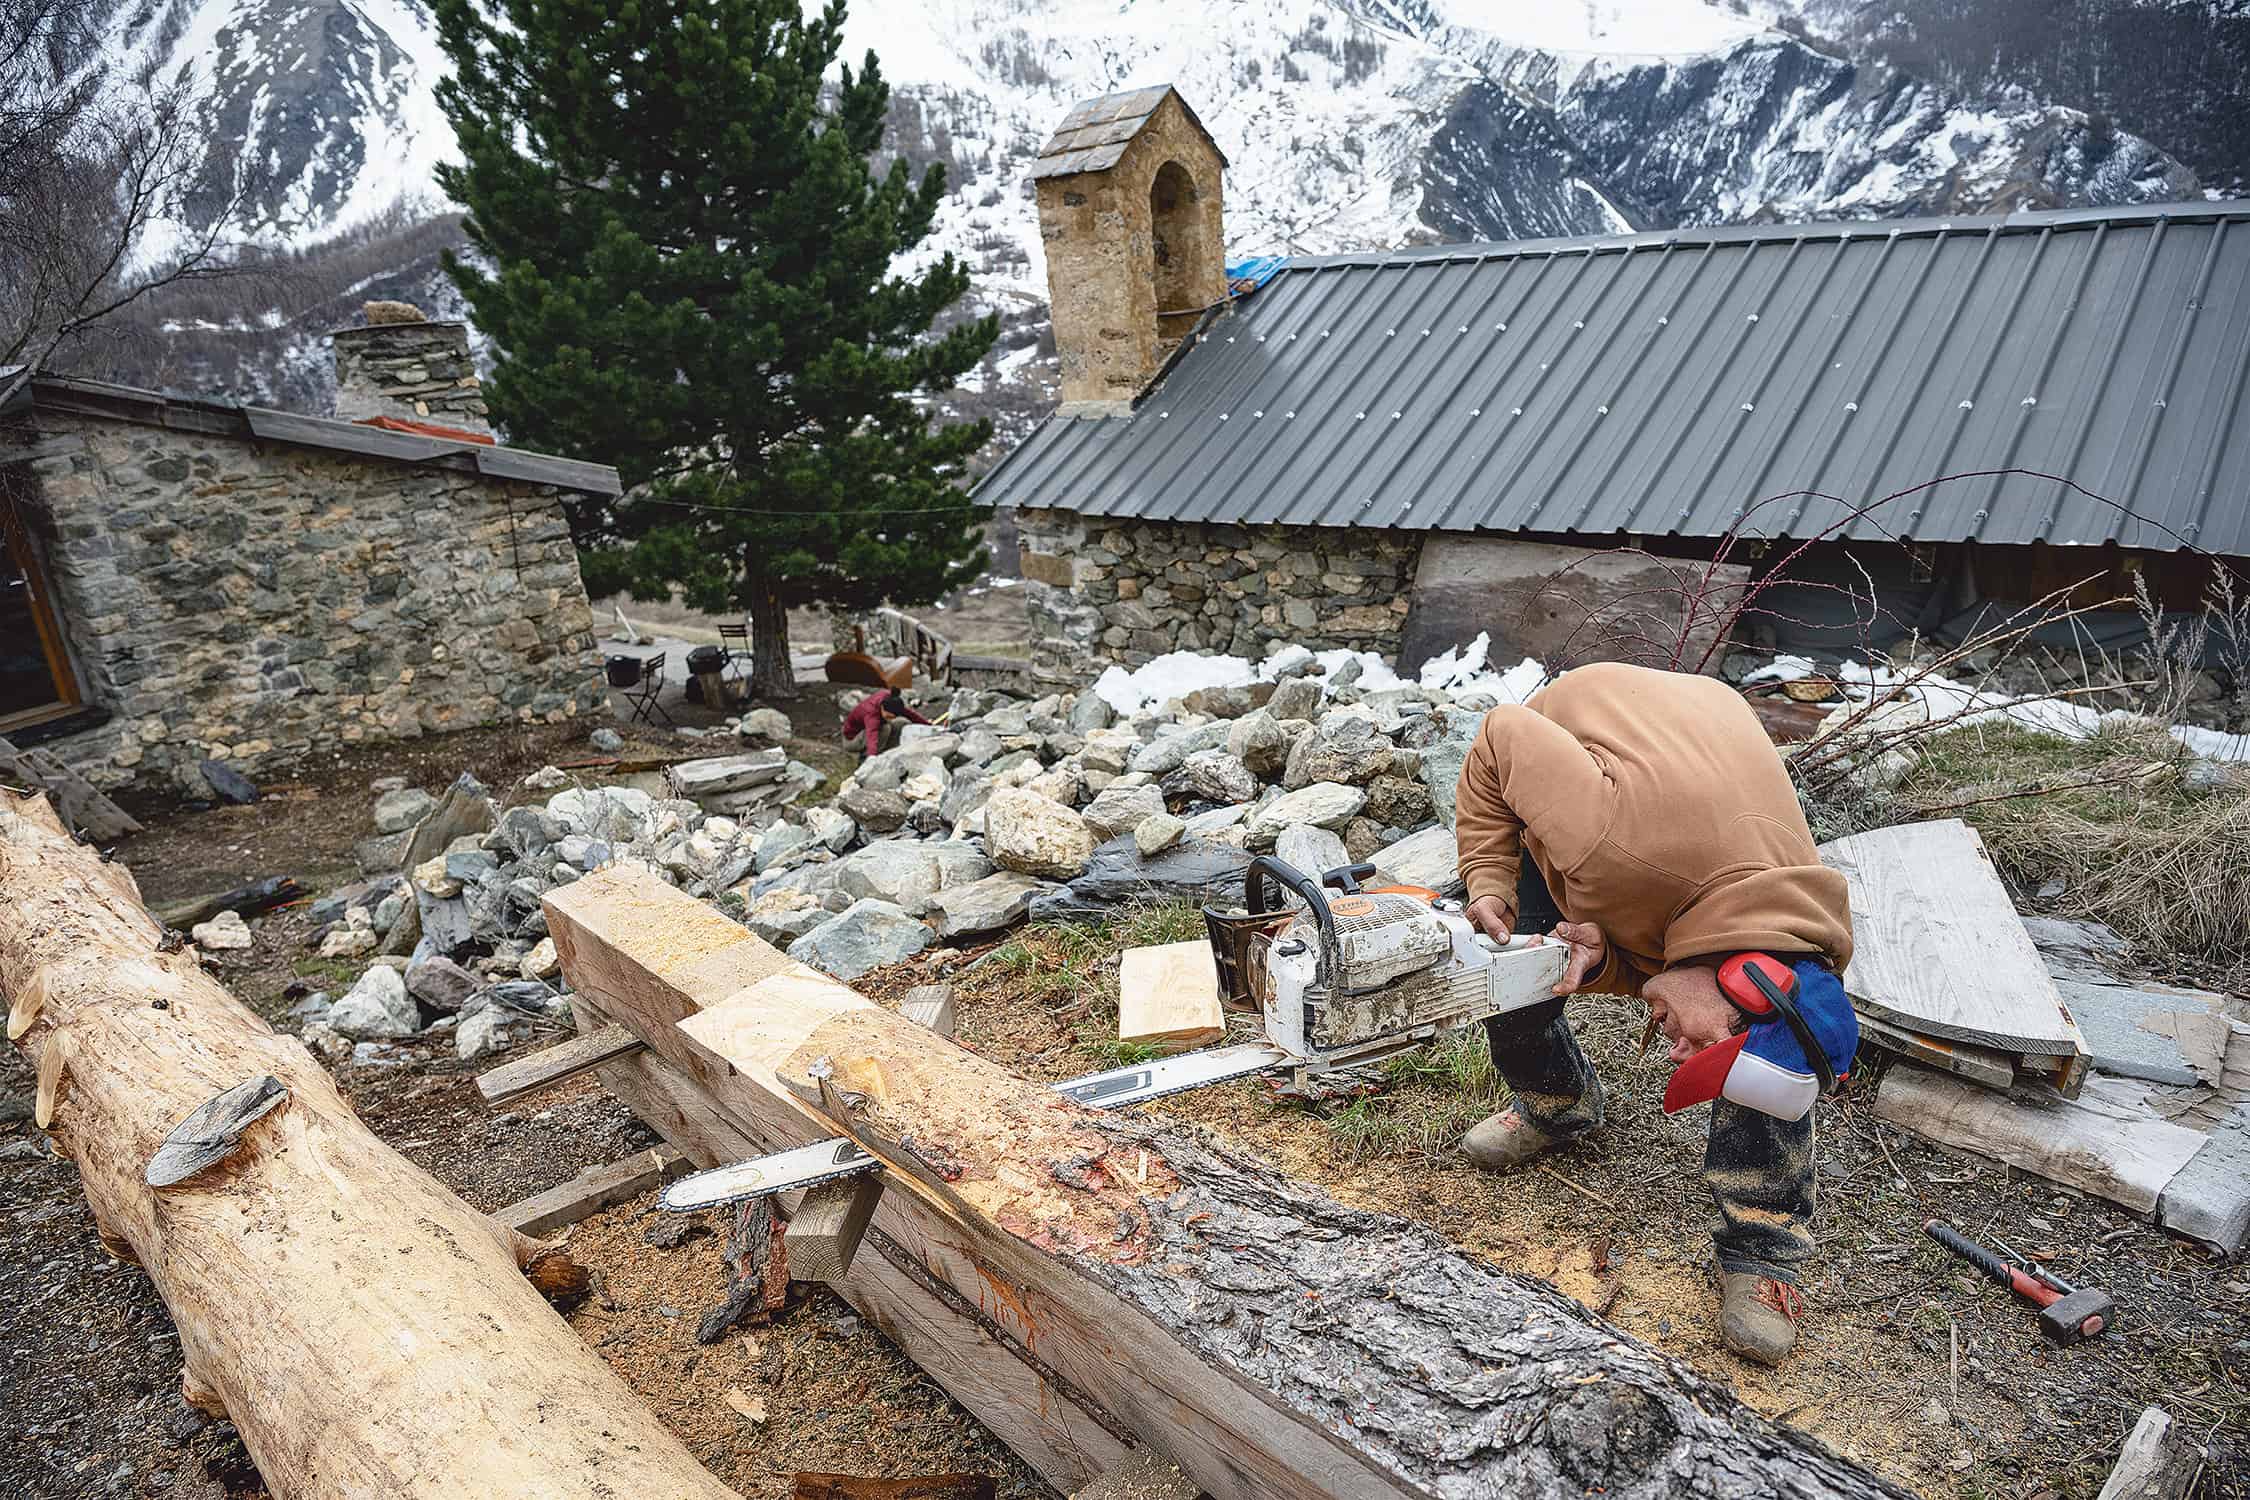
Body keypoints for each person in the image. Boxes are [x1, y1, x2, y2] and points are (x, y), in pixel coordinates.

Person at [1452, 661, 1856, 1366]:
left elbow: (1680, 952)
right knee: (1513, 959)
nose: (1677, 1057)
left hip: (1698, 754)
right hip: (1586, 745)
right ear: (1737, 979)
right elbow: (1498, 734)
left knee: (1768, 1043)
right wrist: (1488, 874)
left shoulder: (1803, 935)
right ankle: (1556, 1101)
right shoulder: (1608, 840)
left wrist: (1605, 961)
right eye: (1700, 1051)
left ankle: (1763, 1249)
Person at [839, 687, 931, 758]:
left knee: (902, 723)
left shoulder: (891, 699)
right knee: (884, 728)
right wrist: (872, 758)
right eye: (888, 717)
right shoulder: (871, 714)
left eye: (893, 717)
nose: (890, 719)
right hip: (851, 739)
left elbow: (911, 715)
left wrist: (929, 726)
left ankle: (888, 754)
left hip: (866, 731)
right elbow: (872, 737)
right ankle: (865, 760)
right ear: (882, 708)